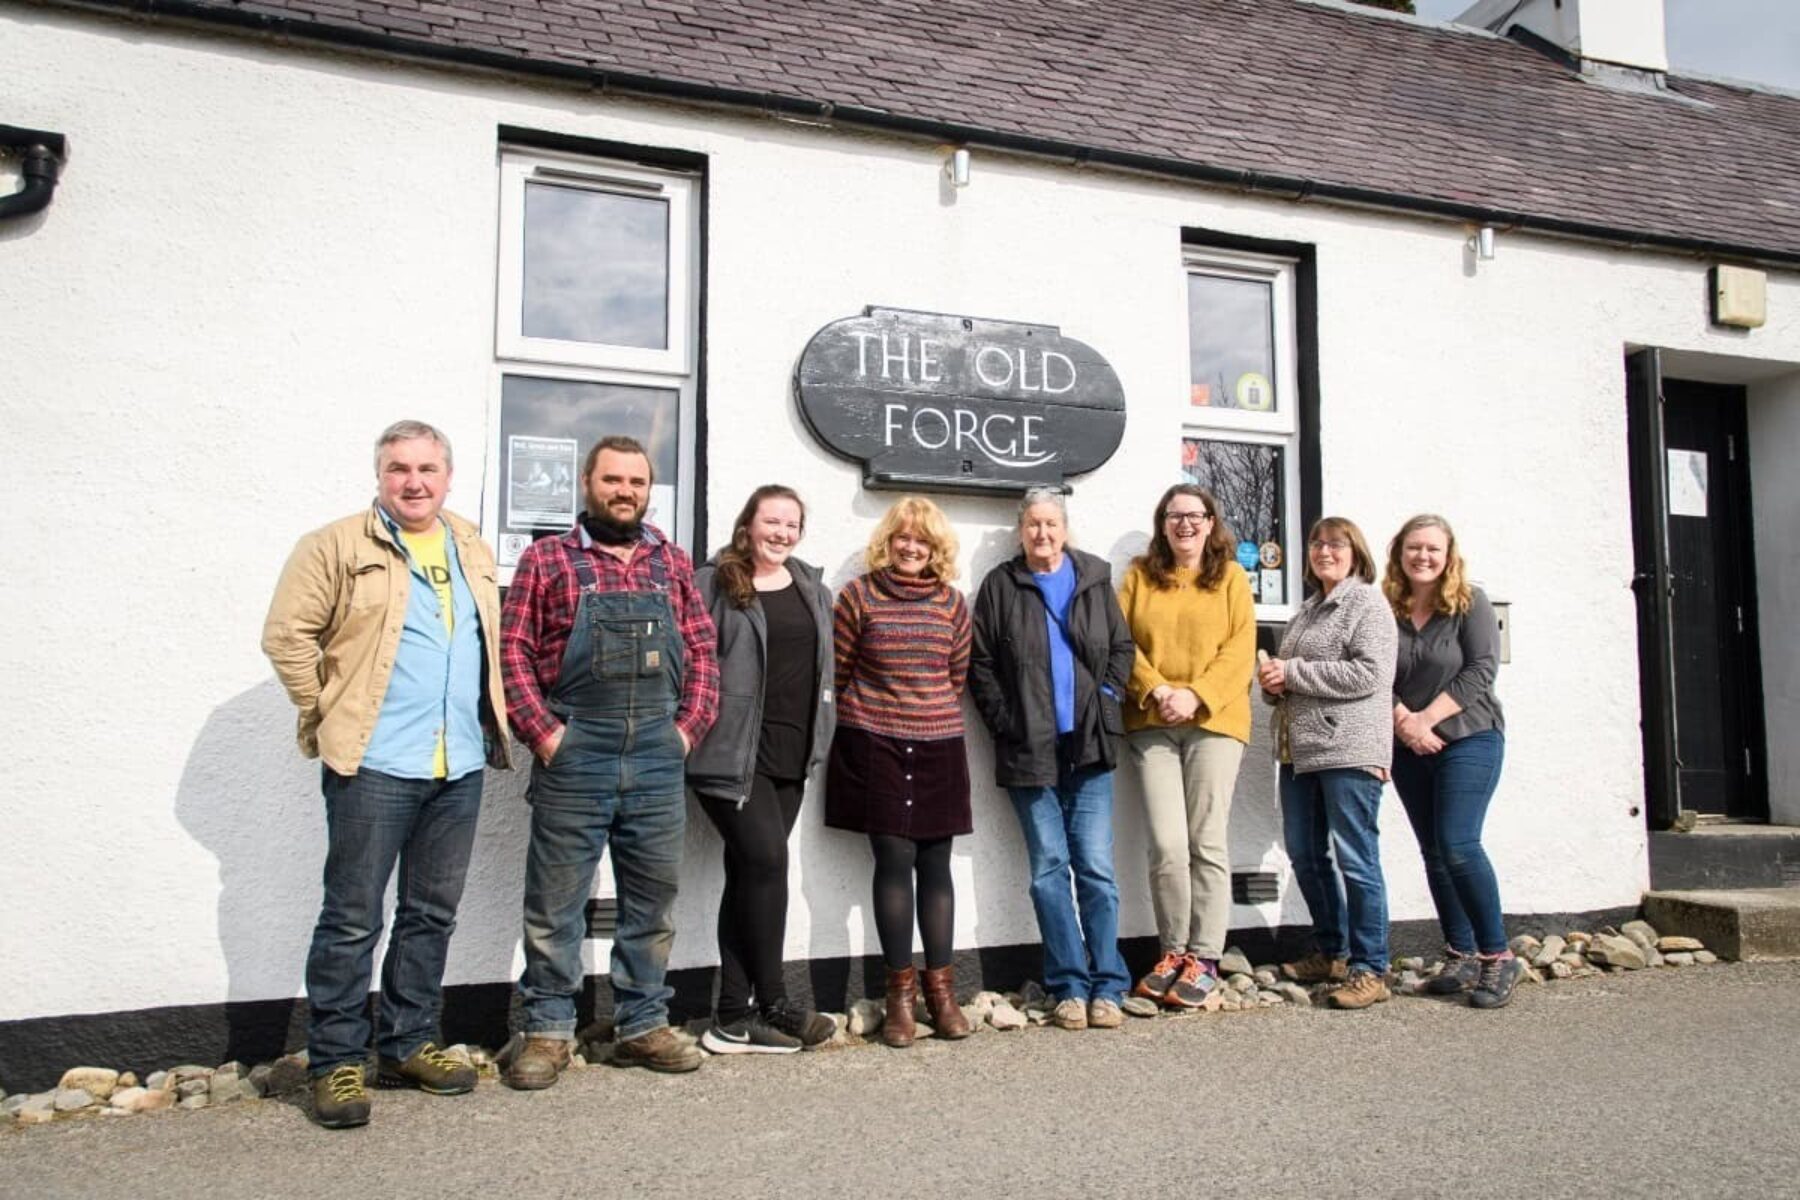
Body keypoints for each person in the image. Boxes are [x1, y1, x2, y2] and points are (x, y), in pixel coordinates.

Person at [261, 420, 512, 1130]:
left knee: (430, 915)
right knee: (351, 919)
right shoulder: (336, 545)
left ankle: (409, 1043)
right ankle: (337, 1060)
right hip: (373, 762)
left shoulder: (469, 543)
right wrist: (327, 711)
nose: (414, 481)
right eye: (399, 468)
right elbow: (287, 636)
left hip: (457, 761)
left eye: (428, 468)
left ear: (448, 476)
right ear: (380, 475)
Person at [499, 435, 719, 1086]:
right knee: (555, 903)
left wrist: (686, 731)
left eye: (636, 482)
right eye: (612, 480)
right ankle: (547, 1030)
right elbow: (512, 655)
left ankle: (643, 1023)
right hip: (577, 749)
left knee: (651, 900)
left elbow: (704, 655)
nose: (625, 491)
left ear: (649, 491)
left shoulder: (672, 563)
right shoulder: (547, 559)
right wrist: (545, 736)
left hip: (657, 752)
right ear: (587, 484)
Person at [970, 489, 1136, 1030]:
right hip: (1030, 749)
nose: (1043, 534)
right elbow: (983, 663)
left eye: (1051, 524)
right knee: (1048, 870)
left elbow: (1120, 649)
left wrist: (1108, 699)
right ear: (1021, 531)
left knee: (1096, 869)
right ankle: (1069, 984)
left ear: (1065, 529)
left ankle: (1108, 984)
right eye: (1033, 525)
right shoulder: (1001, 585)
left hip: (1088, 745)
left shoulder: (1092, 577)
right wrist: (1005, 720)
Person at [687, 485, 838, 1054]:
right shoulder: (715, 583)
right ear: (747, 524)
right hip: (730, 753)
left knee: (749, 874)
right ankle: (773, 1000)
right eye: (770, 521)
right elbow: (688, 661)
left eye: (791, 523)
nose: (780, 532)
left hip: (791, 754)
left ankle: (730, 1015)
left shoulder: (811, 587)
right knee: (769, 864)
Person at [824, 495, 974, 1048]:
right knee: (894, 859)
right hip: (875, 742)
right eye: (903, 538)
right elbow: (839, 670)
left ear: (937, 550)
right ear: (888, 542)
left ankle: (942, 995)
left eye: (923, 541)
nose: (912, 548)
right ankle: (899, 999)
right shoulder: (858, 596)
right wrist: (880, 713)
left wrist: (922, 710)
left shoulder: (952, 603)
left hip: (938, 743)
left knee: (936, 865)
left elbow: (955, 673)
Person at [1116, 485, 1256, 1009]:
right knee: (1168, 845)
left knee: (1207, 842)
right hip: (1151, 721)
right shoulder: (1138, 577)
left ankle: (1206, 957)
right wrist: (1157, 690)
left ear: (1210, 522)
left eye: (1195, 516)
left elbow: (1241, 648)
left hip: (1215, 721)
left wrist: (1195, 694)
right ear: (1162, 524)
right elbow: (1120, 642)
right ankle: (1172, 951)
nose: (1186, 525)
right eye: (1175, 516)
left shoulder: (1231, 578)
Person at [1259, 516, 1398, 1010]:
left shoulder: (1365, 602)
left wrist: (1291, 670)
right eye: (1317, 543)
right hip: (1302, 752)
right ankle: (1331, 950)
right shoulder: (1310, 609)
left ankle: (1370, 967)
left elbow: (1370, 673)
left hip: (1348, 751)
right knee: (1306, 853)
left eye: (1335, 544)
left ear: (1355, 552)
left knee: (1356, 860)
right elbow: (1298, 681)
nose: (1324, 551)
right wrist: (1275, 685)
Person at [1384, 515, 1522, 1008]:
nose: (1423, 557)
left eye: (1432, 550)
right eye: (1414, 548)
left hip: (1469, 736)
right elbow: (1376, 672)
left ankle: (1497, 956)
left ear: (1448, 556)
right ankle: (1460, 952)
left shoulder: (1471, 602)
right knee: (1433, 851)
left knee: (1458, 843)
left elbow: (1482, 670)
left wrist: (1426, 721)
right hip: (1408, 745)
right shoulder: (1387, 607)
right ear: (1399, 552)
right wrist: (1406, 722)